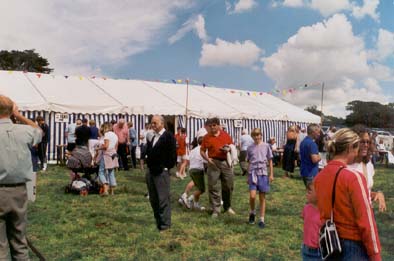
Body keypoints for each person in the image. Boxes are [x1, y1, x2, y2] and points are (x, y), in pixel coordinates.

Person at [315, 128, 381, 260]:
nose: (357, 152)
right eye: (356, 148)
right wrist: (376, 255)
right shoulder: (353, 177)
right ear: (350, 148)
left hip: (330, 244)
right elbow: (366, 221)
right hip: (353, 246)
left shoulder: (320, 176)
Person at [0, 95, 42, 260]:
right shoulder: (24, 131)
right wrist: (18, 115)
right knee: (20, 242)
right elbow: (39, 131)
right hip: (19, 191)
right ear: (11, 111)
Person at [145, 115, 177, 232]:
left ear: (162, 124)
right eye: (152, 123)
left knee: (163, 199)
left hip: (161, 172)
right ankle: (158, 223)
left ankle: (165, 225)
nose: (153, 125)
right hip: (151, 171)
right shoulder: (152, 136)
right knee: (153, 199)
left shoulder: (168, 137)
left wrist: (165, 167)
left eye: (155, 123)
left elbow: (173, 155)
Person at [200, 117, 235, 217]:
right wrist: (207, 159)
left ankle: (227, 207)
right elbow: (202, 151)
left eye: (214, 125)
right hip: (213, 162)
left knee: (228, 185)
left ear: (219, 125)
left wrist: (228, 149)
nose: (212, 128)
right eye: (210, 126)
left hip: (225, 162)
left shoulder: (225, 135)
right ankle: (216, 209)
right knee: (213, 186)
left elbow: (232, 147)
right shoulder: (206, 137)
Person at [349, 125, 386, 212]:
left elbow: (365, 192)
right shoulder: (345, 165)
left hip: (366, 214)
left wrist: (378, 194)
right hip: (349, 216)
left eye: (368, 142)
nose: (366, 145)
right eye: (362, 142)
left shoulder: (368, 164)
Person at [246, 128, 273, 229]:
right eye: (254, 135)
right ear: (252, 137)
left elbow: (270, 161)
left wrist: (271, 174)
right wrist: (248, 175)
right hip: (253, 173)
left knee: (262, 198)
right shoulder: (250, 148)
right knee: (252, 196)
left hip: (263, 173)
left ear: (261, 135)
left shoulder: (266, 146)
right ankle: (252, 212)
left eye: (258, 135)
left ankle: (262, 219)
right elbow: (249, 161)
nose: (257, 137)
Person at [178, 136, 206, 211]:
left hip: (191, 169)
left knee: (196, 186)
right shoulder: (203, 149)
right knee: (202, 189)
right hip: (198, 170)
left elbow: (188, 160)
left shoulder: (193, 150)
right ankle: (188, 198)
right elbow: (205, 160)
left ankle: (196, 204)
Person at [95, 122, 119, 196]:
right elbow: (116, 146)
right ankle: (112, 191)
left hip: (107, 154)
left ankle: (105, 187)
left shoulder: (107, 134)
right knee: (111, 172)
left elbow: (106, 146)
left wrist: (98, 148)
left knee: (101, 172)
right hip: (114, 154)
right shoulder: (115, 135)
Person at [301, 182, 321, 260]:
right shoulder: (306, 208)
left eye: (309, 192)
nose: (307, 194)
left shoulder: (325, 212)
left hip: (320, 251)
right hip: (306, 249)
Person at [299, 124, 321, 188]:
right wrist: (320, 157)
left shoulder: (303, 142)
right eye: (318, 132)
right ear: (313, 132)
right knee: (314, 196)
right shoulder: (312, 144)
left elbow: (300, 157)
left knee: (310, 194)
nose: (319, 134)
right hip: (311, 173)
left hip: (304, 171)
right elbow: (315, 160)